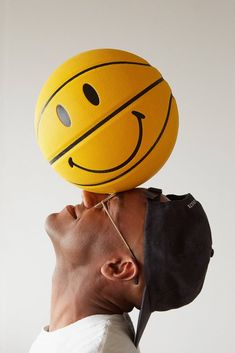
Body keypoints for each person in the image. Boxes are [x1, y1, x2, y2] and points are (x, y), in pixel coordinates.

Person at [28, 187, 213, 353]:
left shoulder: (98, 348)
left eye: (105, 206)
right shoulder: (76, 338)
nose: (87, 194)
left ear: (118, 268)